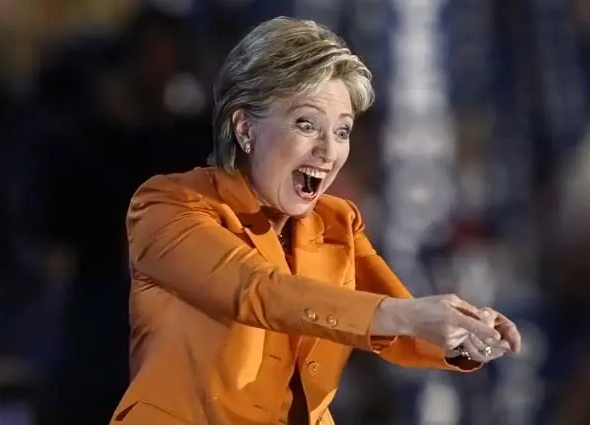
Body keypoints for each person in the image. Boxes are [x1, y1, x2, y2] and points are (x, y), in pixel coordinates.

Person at [110, 17, 522, 425]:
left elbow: (397, 319)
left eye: (342, 131)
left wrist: (463, 337)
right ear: (245, 129)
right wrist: (409, 315)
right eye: (306, 124)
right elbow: (259, 292)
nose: (328, 151)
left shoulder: (337, 222)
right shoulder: (167, 206)